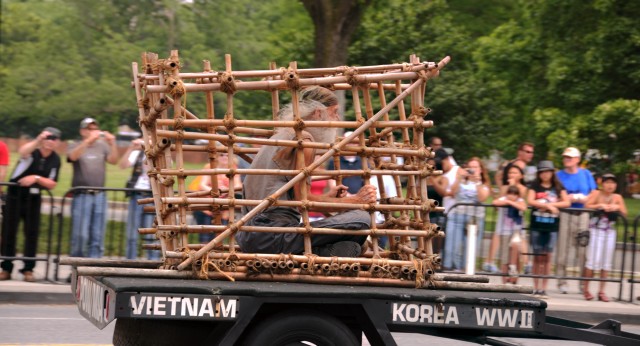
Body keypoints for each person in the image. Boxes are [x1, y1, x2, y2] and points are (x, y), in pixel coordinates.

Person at [236, 86, 377, 257]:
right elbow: (303, 200)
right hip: (271, 234)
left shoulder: (280, 136)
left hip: (251, 237)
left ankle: (319, 252)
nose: (338, 118)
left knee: (354, 246)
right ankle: (318, 251)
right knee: (361, 219)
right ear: (319, 113)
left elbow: (295, 197)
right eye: (334, 112)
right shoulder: (304, 140)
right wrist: (355, 200)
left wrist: (328, 199)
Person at [0, 128, 61, 281]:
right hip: (15, 196)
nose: (50, 141)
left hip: (33, 198)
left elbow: (52, 183)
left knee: (31, 233)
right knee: (9, 232)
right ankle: (6, 268)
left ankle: (28, 269)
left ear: (57, 141)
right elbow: (22, 151)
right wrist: (38, 139)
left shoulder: (55, 159)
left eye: (54, 138)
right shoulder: (32, 152)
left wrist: (35, 178)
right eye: (48, 138)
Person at [67, 118, 119, 258]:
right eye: (90, 129)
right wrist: (88, 141)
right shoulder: (75, 144)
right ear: (82, 131)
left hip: (99, 195)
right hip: (81, 195)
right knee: (80, 235)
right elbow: (72, 157)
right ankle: (76, 269)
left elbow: (113, 161)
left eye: (95, 128)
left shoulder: (102, 146)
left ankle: (94, 268)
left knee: (97, 235)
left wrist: (112, 143)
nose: (93, 131)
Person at [556, 146, 597, 294]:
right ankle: (562, 282)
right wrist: (568, 198)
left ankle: (582, 284)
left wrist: (586, 200)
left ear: (577, 159)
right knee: (563, 250)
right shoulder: (559, 175)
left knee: (582, 250)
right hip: (566, 213)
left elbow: (594, 191)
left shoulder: (585, 173)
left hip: (583, 213)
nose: (567, 159)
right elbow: (556, 193)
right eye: (565, 157)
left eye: (570, 157)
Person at [527, 160, 570, 299]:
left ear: (552, 173)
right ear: (539, 174)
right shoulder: (535, 185)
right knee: (537, 256)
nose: (545, 175)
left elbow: (567, 201)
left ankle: (543, 288)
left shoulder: (557, 186)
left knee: (547, 257)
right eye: (542, 172)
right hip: (537, 224)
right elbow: (530, 200)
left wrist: (552, 204)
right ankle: (535, 287)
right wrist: (549, 207)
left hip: (551, 226)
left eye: (548, 172)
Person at [583, 173, 627, 302]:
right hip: (597, 230)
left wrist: (616, 207)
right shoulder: (596, 193)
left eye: (613, 182)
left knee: (606, 263)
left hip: (609, 232)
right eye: (607, 182)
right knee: (592, 260)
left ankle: (601, 291)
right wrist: (599, 206)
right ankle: (586, 289)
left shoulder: (617, 197)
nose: (610, 185)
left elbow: (625, 212)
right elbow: (587, 205)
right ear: (602, 184)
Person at [443, 157, 491, 271]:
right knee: (450, 247)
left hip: (475, 219)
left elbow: (482, 198)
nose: (472, 170)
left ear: (481, 170)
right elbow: (453, 193)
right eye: (470, 167)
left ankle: (465, 273)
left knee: (470, 250)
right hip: (456, 216)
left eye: (475, 167)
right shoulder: (461, 180)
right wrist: (459, 177)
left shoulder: (483, 184)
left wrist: (477, 182)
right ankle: (449, 269)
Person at [484, 165, 528, 273]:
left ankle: (525, 263)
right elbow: (501, 198)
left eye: (515, 173)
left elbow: (520, 198)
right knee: (504, 242)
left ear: (521, 176)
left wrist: (513, 185)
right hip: (504, 218)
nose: (512, 175)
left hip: (517, 219)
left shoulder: (523, 188)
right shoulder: (505, 187)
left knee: (519, 240)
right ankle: (496, 263)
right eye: (510, 173)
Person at [119, 138, 158, 260]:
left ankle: (153, 261)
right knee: (132, 232)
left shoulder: (160, 155)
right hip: (136, 194)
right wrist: (131, 148)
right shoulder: (137, 153)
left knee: (151, 233)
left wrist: (152, 151)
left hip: (152, 195)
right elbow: (123, 166)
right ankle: (130, 260)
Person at [198, 151, 243, 243]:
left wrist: (226, 190)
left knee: (220, 235)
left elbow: (238, 186)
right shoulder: (209, 167)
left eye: (227, 155)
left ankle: (217, 253)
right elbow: (202, 185)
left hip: (225, 208)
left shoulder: (233, 169)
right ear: (217, 157)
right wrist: (215, 191)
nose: (224, 157)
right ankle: (204, 254)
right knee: (206, 234)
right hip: (209, 207)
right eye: (221, 155)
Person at [490, 185, 527, 283]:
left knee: (515, 248)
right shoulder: (504, 199)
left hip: (516, 230)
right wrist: (507, 201)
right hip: (504, 231)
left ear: (517, 195)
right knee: (504, 256)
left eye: (514, 194)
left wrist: (510, 202)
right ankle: (504, 279)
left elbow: (523, 207)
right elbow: (494, 202)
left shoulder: (520, 200)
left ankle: (513, 271)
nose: (512, 196)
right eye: (510, 193)